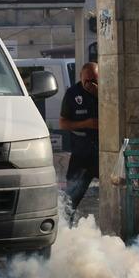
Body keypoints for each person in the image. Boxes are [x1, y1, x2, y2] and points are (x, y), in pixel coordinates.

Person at [59, 62, 99, 219]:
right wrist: (86, 123)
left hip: (102, 150)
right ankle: (65, 227)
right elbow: (63, 123)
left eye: (94, 80)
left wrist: (99, 93)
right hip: (81, 152)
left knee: (116, 188)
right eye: (87, 80)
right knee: (72, 195)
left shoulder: (107, 91)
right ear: (81, 77)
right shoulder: (72, 93)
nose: (90, 84)